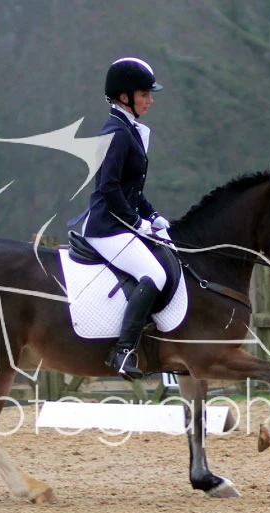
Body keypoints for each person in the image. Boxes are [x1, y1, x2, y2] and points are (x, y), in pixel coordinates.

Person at [79, 57, 171, 381]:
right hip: (107, 227)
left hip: (121, 221)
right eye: (144, 94)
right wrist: (136, 222)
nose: (150, 100)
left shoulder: (128, 129)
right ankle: (123, 351)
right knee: (154, 275)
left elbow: (132, 189)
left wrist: (153, 215)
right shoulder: (116, 132)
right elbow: (108, 187)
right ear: (124, 97)